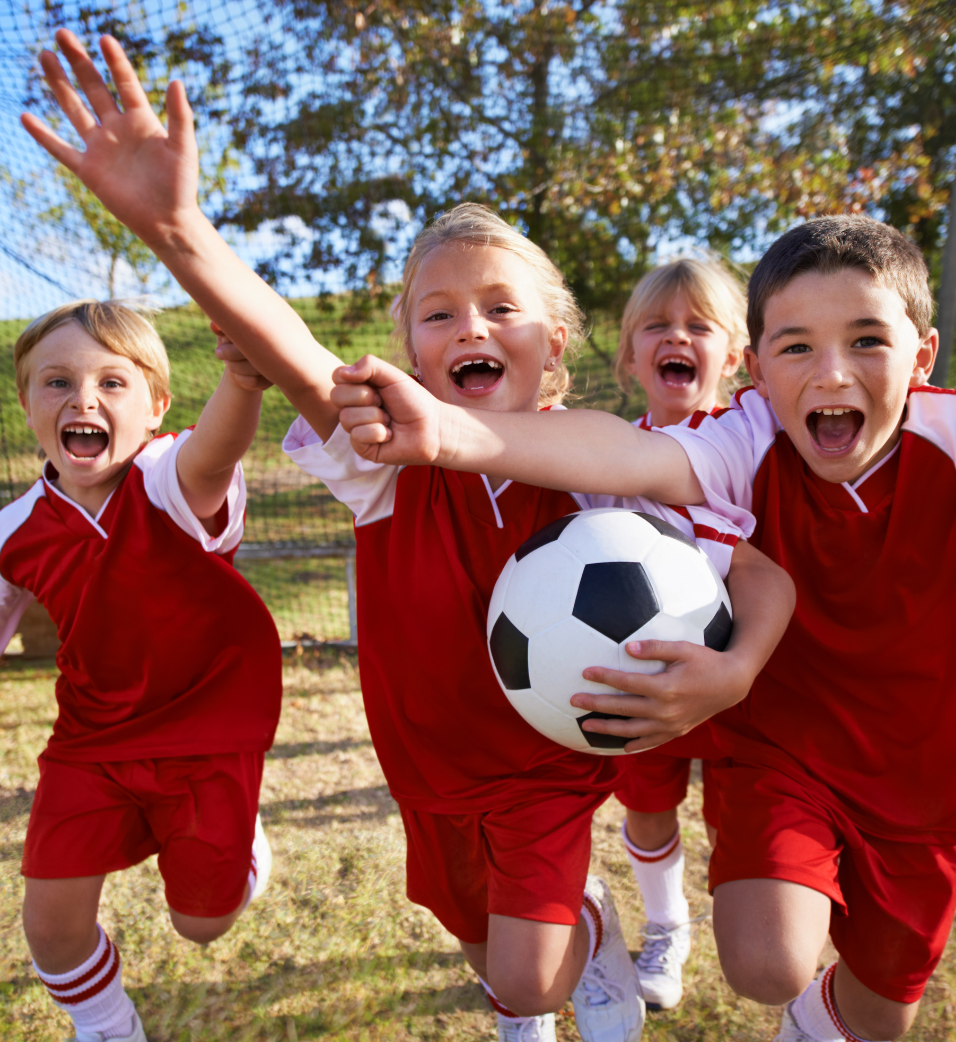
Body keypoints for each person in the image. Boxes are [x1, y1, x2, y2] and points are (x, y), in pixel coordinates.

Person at [20, 33, 795, 1042]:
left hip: (544, 776)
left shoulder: (609, 471)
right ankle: (572, 943)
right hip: (424, 774)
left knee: (522, 982)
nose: (468, 326)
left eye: (498, 307)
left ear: (552, 339)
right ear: (413, 349)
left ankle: (577, 944)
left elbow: (756, 572)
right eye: (438, 314)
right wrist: (179, 229)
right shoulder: (383, 463)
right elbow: (289, 349)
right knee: (478, 945)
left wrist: (731, 672)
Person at [332, 213, 952, 1042]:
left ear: (923, 356)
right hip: (764, 736)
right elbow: (627, 454)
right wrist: (443, 431)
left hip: (925, 781)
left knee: (881, 1019)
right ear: (758, 368)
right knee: (756, 951)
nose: (832, 372)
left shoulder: (940, 439)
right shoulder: (736, 440)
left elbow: (753, 571)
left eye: (867, 340)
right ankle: (658, 929)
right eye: (798, 345)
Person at [1, 300, 282, 1042]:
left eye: (112, 384)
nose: (83, 400)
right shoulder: (13, 529)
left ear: (157, 406)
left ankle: (243, 847)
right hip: (91, 738)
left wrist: (244, 383)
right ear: (27, 404)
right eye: (56, 383)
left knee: (201, 925)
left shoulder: (165, 475)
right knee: (50, 925)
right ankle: (105, 1026)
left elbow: (213, 455)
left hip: (208, 730)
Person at [608, 259, 746, 1011]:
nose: (677, 337)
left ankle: (745, 916)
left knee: (739, 824)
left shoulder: (752, 438)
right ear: (631, 358)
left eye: (699, 325)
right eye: (656, 327)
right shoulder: (603, 454)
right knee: (648, 807)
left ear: (734, 355)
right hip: (644, 672)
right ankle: (667, 926)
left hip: (743, 683)